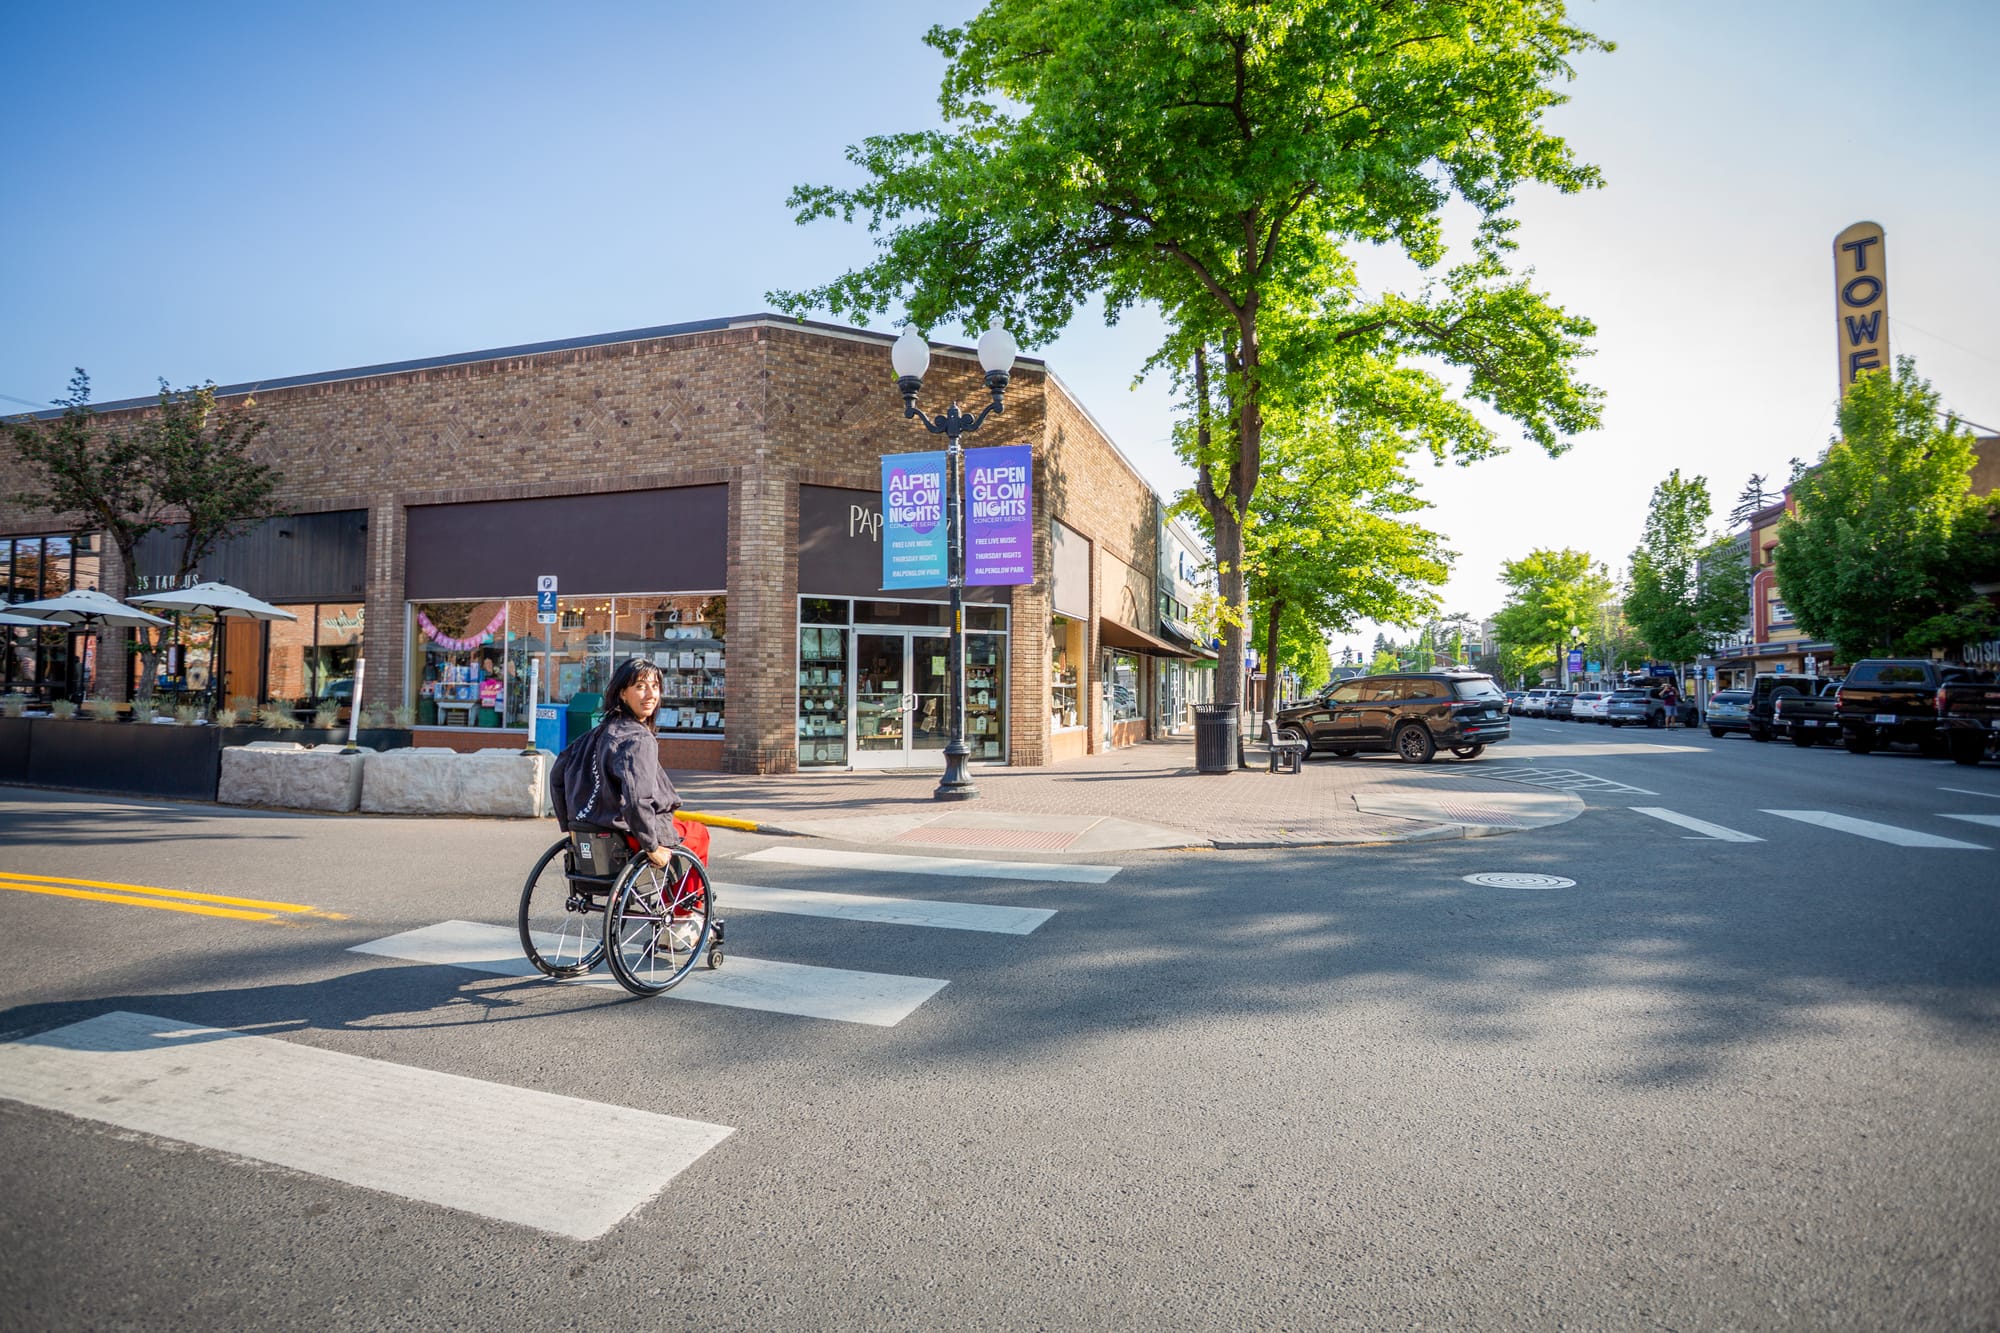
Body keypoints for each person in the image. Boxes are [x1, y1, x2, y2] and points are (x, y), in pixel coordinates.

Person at [550, 656, 694, 877]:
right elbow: (637, 800)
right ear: (622, 693)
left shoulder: (596, 734)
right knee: (698, 835)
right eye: (640, 687)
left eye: (655, 686)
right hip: (627, 835)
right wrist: (651, 846)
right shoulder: (638, 740)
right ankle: (684, 909)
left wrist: (570, 826)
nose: (651, 694)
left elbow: (556, 775)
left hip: (588, 830)